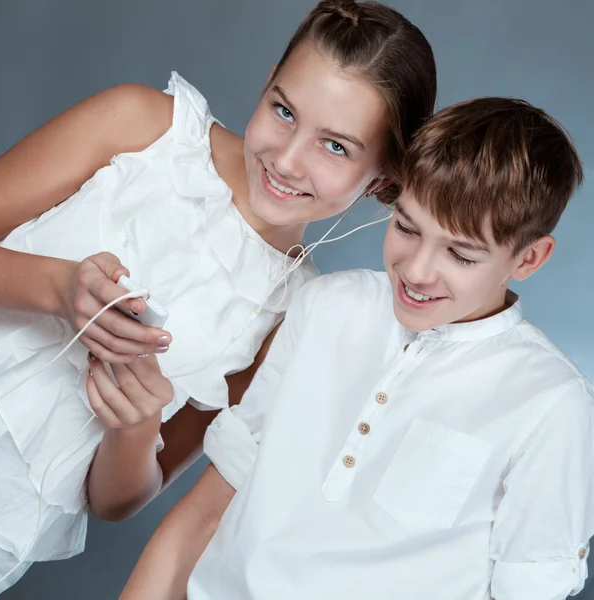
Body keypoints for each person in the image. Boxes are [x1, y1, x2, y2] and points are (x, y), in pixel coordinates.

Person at [0, 0, 437, 595]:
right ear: (265, 87)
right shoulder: (142, 126)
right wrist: (56, 287)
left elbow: (113, 502)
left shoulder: (289, 317)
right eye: (283, 110)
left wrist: (135, 426)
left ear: (384, 178)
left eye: (336, 147)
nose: (286, 159)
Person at [122, 96, 593, 600]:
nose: (416, 271)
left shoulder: (553, 404)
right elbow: (210, 506)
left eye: (460, 253)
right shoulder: (325, 304)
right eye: (407, 228)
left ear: (529, 258)